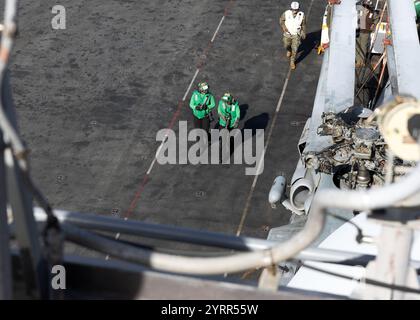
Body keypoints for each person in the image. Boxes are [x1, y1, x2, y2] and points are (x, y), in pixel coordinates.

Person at [280, 2, 306, 70]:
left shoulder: (302, 15)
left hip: (296, 35)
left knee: (295, 49)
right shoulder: (286, 13)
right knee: (286, 45)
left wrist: (303, 33)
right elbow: (281, 21)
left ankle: (292, 62)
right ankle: (289, 50)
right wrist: (284, 28)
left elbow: (303, 25)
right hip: (287, 34)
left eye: (296, 9)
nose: (295, 11)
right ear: (291, 8)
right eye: (293, 9)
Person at [356, 0, 376, 68]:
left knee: (363, 47)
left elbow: (376, 19)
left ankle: (362, 62)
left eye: (367, 6)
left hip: (366, 32)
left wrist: (373, 25)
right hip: (359, 31)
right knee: (357, 47)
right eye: (365, 5)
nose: (366, 7)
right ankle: (358, 61)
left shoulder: (372, 13)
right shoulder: (361, 11)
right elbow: (356, 18)